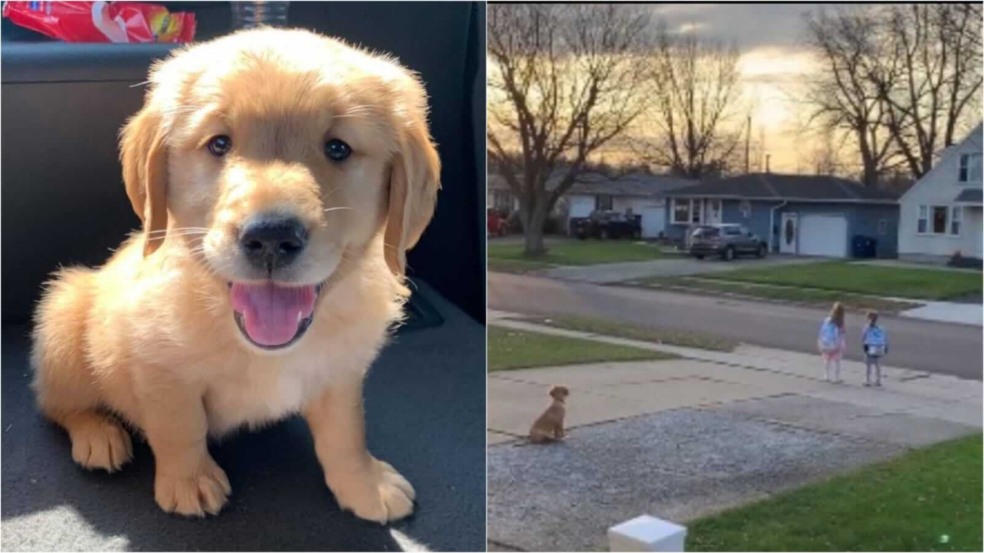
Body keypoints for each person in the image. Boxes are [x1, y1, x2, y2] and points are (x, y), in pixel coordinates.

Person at [817, 302, 846, 382]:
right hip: (836, 344)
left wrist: (820, 340)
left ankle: (826, 375)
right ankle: (836, 377)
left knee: (827, 360)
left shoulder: (827, 320)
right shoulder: (840, 323)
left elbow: (822, 331)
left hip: (826, 343)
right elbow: (843, 333)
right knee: (837, 361)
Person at [861, 311, 889, 387]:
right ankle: (878, 380)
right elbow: (885, 338)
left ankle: (867, 380)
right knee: (878, 365)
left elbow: (863, 337)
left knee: (868, 365)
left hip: (869, 347)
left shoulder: (867, 328)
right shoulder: (881, 328)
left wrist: (863, 343)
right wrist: (886, 347)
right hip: (879, 347)